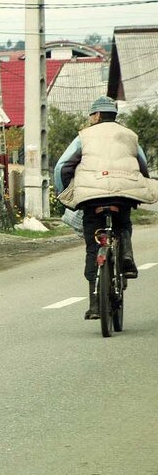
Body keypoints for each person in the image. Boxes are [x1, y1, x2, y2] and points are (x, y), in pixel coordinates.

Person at [53, 95, 156, 320]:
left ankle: (95, 305)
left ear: (97, 115)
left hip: (92, 198)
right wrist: (137, 190)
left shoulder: (84, 136)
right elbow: (142, 166)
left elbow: (62, 166)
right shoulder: (130, 136)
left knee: (93, 245)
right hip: (123, 194)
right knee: (123, 224)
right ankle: (126, 254)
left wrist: (66, 195)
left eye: (91, 115)